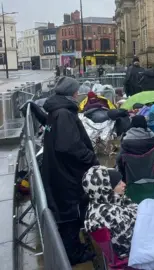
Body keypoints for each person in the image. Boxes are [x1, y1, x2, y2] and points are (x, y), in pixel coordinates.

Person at [41, 76, 99, 265]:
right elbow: (68, 145)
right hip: (66, 174)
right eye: (76, 91)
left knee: (68, 213)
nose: (78, 93)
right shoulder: (64, 114)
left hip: (58, 171)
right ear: (70, 93)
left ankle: (74, 247)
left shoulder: (55, 111)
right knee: (71, 214)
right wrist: (89, 158)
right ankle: (72, 255)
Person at [83, 166, 137, 258]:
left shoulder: (97, 202)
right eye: (119, 183)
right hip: (130, 253)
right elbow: (128, 242)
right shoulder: (109, 213)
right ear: (107, 188)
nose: (124, 184)